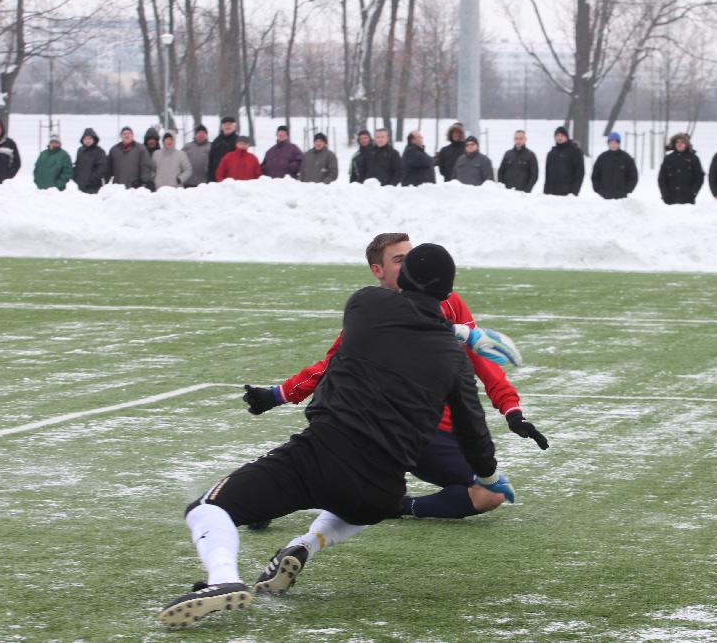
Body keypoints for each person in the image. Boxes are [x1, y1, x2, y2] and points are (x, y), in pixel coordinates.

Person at [156, 244, 520, 628]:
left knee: (207, 508)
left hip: (321, 455)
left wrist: (462, 332)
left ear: (402, 277)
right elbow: (473, 431)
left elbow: (400, 321)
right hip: (382, 489)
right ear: (448, 293)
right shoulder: (456, 360)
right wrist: (490, 477)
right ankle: (306, 545)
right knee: (357, 504)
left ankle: (223, 581)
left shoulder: (366, 306)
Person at [253, 232, 546, 528]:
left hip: (436, 438)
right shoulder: (371, 313)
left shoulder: (450, 302)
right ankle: (264, 505)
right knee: (338, 479)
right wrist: (277, 395)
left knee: (488, 495)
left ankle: (399, 507)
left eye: (410, 256)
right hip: (384, 427)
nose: (409, 264)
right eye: (399, 259)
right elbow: (327, 367)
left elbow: (482, 360)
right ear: (377, 271)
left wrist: (512, 411)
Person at [657, 132, 704, 205]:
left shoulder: (694, 159)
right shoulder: (668, 159)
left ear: (687, 144)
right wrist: (665, 195)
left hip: (688, 200)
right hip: (670, 200)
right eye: (677, 142)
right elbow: (662, 179)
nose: (679, 144)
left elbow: (699, 178)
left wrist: (693, 193)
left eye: (682, 142)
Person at [591, 131, 638, 200]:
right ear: (608, 143)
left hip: (621, 197)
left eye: (615, 143)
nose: (613, 145)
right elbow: (595, 175)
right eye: (611, 142)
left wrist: (627, 189)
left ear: (619, 143)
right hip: (604, 197)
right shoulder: (602, 158)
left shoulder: (626, 158)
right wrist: (598, 189)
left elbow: (633, 176)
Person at [544, 126, 584, 196]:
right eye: (557, 135)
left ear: (567, 137)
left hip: (568, 194)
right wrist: (546, 192)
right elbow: (548, 175)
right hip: (552, 194)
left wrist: (574, 192)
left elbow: (580, 173)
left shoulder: (575, 151)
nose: (559, 138)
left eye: (562, 135)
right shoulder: (551, 153)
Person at [73, 128, 108, 194]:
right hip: (80, 186)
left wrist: (91, 179)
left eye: (90, 138)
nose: (87, 140)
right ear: (83, 140)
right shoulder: (80, 150)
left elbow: (102, 168)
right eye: (86, 138)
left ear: (94, 139)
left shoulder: (99, 151)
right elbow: (77, 165)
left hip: (93, 187)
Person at [208, 116, 239, 181]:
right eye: (225, 124)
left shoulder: (239, 141)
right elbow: (211, 160)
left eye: (230, 124)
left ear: (234, 127)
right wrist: (210, 178)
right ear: (222, 127)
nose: (227, 126)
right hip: (216, 177)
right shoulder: (216, 141)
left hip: (233, 178)